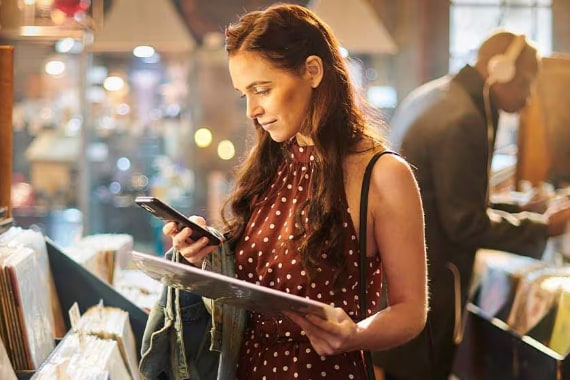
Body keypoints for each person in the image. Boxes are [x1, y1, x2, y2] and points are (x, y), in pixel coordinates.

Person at [152, 4, 428, 380]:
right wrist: (206, 257)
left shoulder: (381, 174)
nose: (252, 109)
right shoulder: (272, 163)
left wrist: (354, 335)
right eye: (243, 94)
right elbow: (255, 286)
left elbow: (411, 312)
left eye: (262, 89)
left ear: (312, 71)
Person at [374, 30, 570, 380]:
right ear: (502, 71)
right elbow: (464, 224)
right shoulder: (465, 119)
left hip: (398, 275)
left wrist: (527, 212)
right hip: (430, 283)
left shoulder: (433, 95)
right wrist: (545, 227)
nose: (527, 100)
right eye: (527, 85)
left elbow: (452, 198)